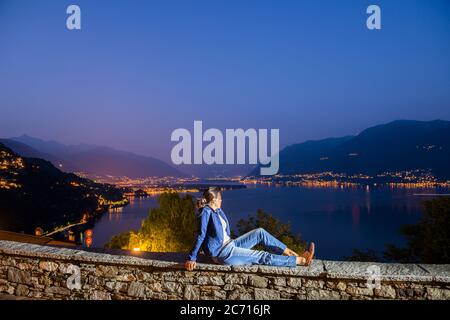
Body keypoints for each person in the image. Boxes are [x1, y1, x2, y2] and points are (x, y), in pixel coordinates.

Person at [185, 187, 315, 271]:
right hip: (224, 253)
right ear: (213, 200)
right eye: (220, 199)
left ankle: (294, 254)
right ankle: (301, 261)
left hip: (231, 244)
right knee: (261, 256)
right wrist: (192, 257)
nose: (221, 201)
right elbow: (200, 235)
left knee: (260, 233)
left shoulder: (217, 210)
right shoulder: (206, 212)